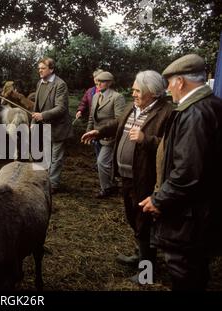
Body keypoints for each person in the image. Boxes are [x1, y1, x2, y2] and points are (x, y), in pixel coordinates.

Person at [139, 54, 222, 290]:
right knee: (195, 270)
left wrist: (159, 199)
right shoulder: (212, 105)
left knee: (184, 272)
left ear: (181, 82)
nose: (168, 89)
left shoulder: (194, 113)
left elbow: (188, 171)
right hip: (202, 213)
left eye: (169, 83)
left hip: (188, 218)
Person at [81, 70, 173, 282]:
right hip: (126, 176)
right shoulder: (134, 107)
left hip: (146, 178)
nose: (133, 93)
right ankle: (140, 256)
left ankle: (147, 273)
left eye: (137, 90)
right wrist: (99, 131)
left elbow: (170, 148)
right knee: (133, 218)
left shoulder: (167, 113)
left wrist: (145, 139)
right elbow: (117, 125)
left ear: (152, 92)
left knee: (145, 222)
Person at [32, 57, 74, 193]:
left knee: (56, 157)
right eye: (39, 68)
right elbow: (36, 106)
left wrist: (43, 115)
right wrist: (33, 122)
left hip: (59, 127)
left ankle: (53, 184)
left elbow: (61, 108)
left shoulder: (60, 84)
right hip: (45, 126)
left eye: (43, 68)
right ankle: (46, 180)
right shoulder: (40, 83)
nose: (40, 71)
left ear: (51, 69)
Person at [86, 71, 127, 198]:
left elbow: (119, 120)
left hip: (109, 136)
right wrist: (88, 131)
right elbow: (91, 117)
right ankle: (111, 183)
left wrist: (108, 133)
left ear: (109, 83)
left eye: (102, 81)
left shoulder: (117, 97)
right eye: (97, 81)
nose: (98, 84)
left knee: (102, 162)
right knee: (104, 164)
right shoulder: (95, 97)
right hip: (96, 136)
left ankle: (107, 188)